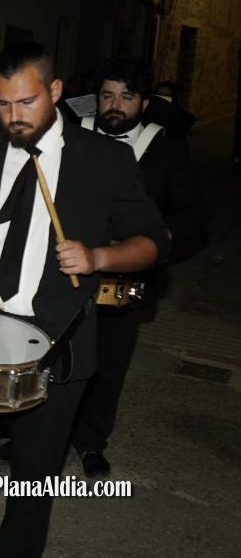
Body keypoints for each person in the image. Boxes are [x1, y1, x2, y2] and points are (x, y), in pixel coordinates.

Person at [0, 42, 168, 558]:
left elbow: (154, 242)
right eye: (2, 104)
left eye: (26, 103)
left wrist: (97, 259)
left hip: (57, 344)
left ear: (55, 91)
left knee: (34, 477)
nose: (13, 117)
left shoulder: (105, 160)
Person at [71, 57, 208, 476]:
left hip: (124, 277)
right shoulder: (74, 137)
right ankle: (40, 432)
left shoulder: (164, 148)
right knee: (54, 358)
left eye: (126, 98)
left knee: (109, 365)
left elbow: (192, 215)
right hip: (67, 271)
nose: (115, 105)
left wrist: (159, 240)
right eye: (107, 96)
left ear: (143, 104)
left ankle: (91, 441)